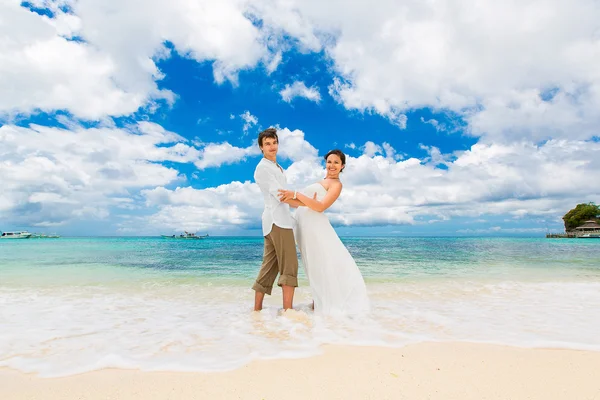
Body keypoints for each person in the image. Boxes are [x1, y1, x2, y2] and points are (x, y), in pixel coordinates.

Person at [279, 149, 370, 315]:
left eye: (336, 162)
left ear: (342, 166)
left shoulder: (336, 185)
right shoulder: (320, 181)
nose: (332, 165)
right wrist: (285, 197)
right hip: (303, 227)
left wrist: (296, 194)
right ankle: (318, 302)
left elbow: (320, 207)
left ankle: (326, 305)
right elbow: (300, 204)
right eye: (329, 161)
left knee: (321, 264)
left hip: (315, 227)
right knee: (312, 265)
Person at [251, 128, 299, 311]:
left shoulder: (277, 167)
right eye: (267, 144)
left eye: (274, 143)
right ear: (261, 148)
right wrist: (308, 203)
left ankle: (256, 311)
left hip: (274, 222)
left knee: (269, 267)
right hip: (278, 222)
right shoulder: (263, 168)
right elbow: (281, 196)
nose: (272, 147)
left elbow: (284, 196)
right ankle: (288, 311)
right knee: (290, 266)